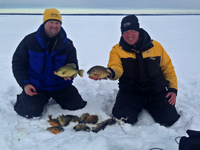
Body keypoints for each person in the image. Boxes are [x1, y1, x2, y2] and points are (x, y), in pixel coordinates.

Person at [89, 15, 180, 127]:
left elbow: (168, 69)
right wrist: (110, 72)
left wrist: (172, 89)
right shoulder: (117, 50)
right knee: (121, 120)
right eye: (125, 32)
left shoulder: (155, 46)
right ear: (122, 33)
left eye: (132, 31)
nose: (129, 35)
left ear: (138, 30)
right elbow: (115, 67)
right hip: (130, 93)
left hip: (156, 92)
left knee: (170, 120)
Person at [12, 8, 87, 118]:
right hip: (37, 86)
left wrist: (69, 76)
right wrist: (25, 84)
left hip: (60, 85)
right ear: (44, 23)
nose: (54, 25)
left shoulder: (67, 44)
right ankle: (24, 98)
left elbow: (72, 64)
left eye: (57, 23)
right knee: (29, 112)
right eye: (51, 22)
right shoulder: (29, 41)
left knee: (77, 106)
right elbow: (18, 63)